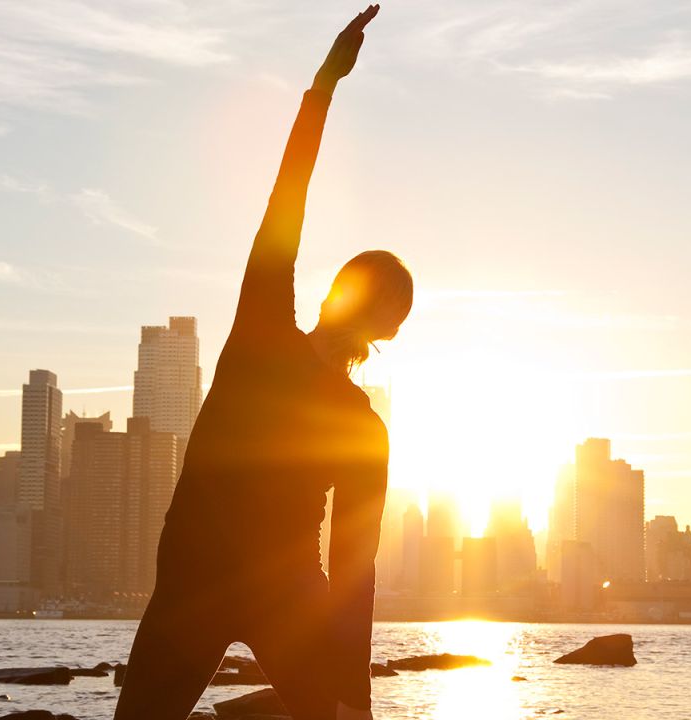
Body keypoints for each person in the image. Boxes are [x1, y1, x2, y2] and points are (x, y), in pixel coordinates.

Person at [112, 6, 407, 720]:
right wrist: (323, 86)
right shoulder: (275, 336)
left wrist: (355, 700)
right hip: (204, 589)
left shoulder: (309, 373)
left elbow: (355, 572)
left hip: (271, 598)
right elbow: (290, 195)